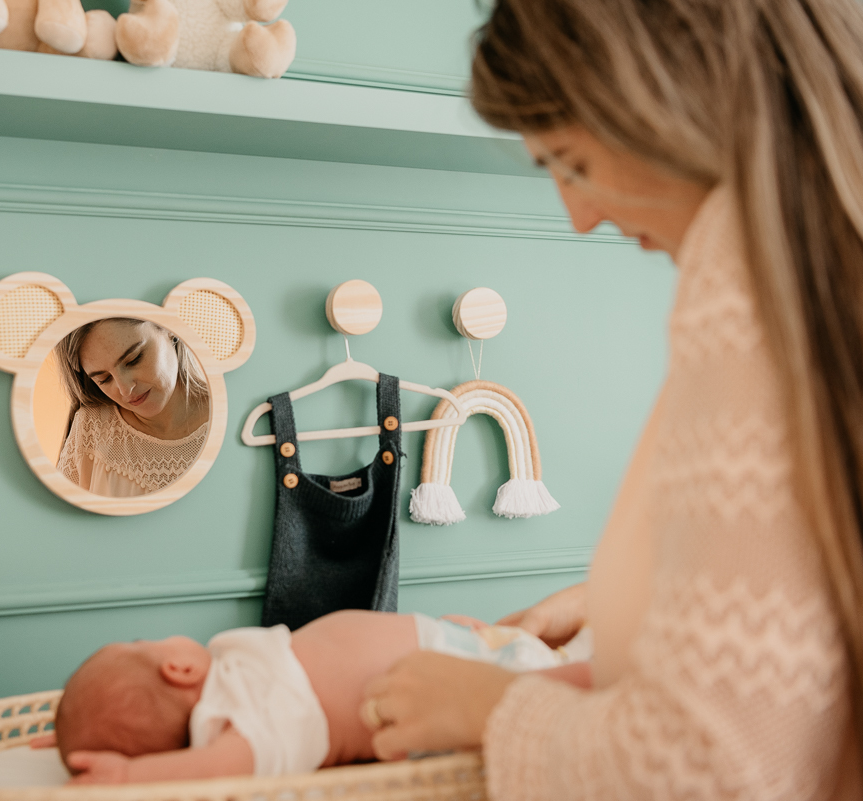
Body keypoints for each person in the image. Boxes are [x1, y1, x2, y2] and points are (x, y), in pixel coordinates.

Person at [359, 0, 863, 797]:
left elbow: (704, 769)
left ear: (664, 91)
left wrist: (490, 705)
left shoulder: (742, 276)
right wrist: (636, 597)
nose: (580, 214)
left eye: (573, 162)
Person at [41, 611, 592, 784]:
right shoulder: (245, 714)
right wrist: (130, 777)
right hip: (459, 692)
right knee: (582, 682)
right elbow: (227, 765)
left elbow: (132, 718)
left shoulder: (234, 677)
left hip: (461, 650)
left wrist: (79, 731)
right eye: (142, 643)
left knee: (571, 657)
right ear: (178, 667)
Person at [54, 318, 210, 497]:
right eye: (104, 379)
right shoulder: (90, 427)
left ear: (169, 328)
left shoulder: (232, 420)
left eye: (133, 359)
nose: (125, 389)